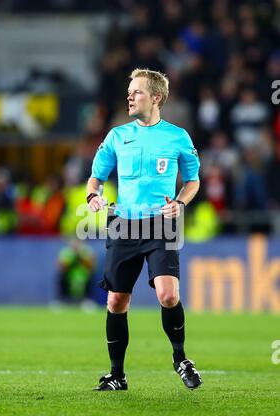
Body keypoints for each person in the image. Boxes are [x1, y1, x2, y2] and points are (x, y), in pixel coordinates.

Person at [86, 68, 202, 391]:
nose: (130, 97)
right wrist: (93, 194)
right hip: (123, 224)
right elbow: (96, 176)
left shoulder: (178, 137)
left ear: (156, 97)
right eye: (129, 92)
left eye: (136, 92)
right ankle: (117, 375)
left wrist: (179, 203)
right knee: (116, 302)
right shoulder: (117, 136)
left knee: (168, 294)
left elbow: (193, 181)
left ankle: (180, 358)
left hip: (161, 223)